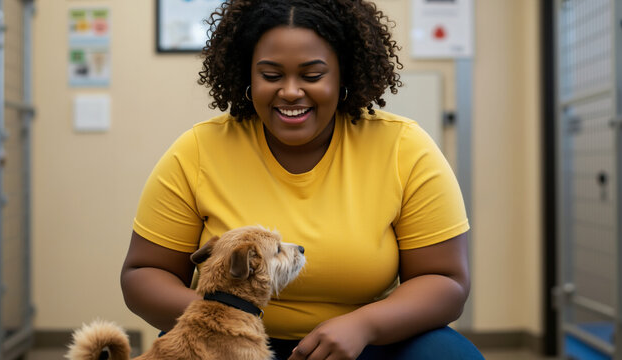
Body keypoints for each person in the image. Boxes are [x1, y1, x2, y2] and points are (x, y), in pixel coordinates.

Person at [121, 0, 484, 359]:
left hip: (365, 342)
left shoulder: (404, 147)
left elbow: (445, 280)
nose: (291, 91)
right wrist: (222, 320)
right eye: (271, 75)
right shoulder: (199, 150)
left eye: (312, 75)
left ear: (345, 74)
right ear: (247, 75)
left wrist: (364, 325)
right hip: (221, 343)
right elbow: (144, 272)